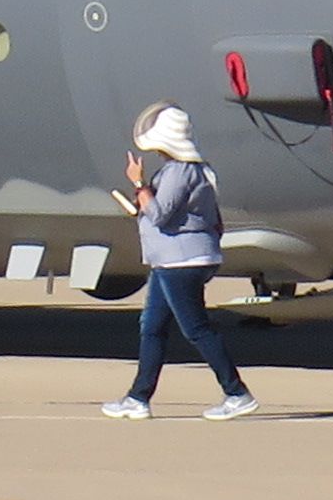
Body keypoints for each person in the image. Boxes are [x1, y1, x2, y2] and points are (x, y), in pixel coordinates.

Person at [103, 103, 258, 419]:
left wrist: (138, 184)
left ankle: (236, 392)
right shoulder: (193, 170)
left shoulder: (179, 172)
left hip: (181, 260)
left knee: (196, 328)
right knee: (152, 327)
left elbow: (159, 214)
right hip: (172, 259)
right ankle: (138, 397)